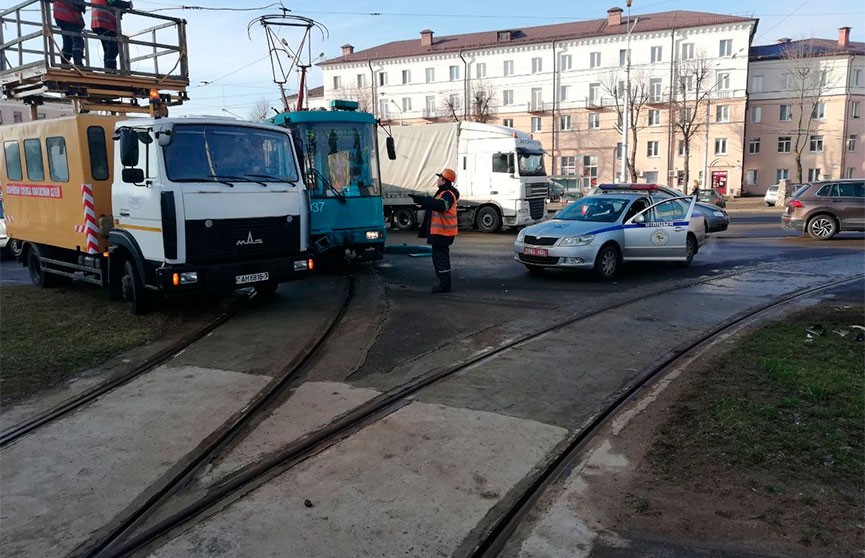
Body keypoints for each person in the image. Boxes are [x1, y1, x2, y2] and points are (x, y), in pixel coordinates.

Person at [409, 168, 460, 293]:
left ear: (444, 180)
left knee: (441, 259)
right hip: (441, 233)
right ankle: (443, 283)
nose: (437, 180)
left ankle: (444, 286)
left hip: (443, 233)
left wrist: (423, 200)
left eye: (439, 178)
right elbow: (434, 206)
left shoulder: (448, 194)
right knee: (439, 258)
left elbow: (441, 206)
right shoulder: (443, 193)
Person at [91, 0, 132, 71]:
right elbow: (113, 2)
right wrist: (128, 4)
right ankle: (111, 69)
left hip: (98, 22)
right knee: (113, 47)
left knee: (107, 48)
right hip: (105, 23)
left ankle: (108, 68)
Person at [53, 0, 86, 67]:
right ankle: (78, 63)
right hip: (69, 16)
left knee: (68, 41)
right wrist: (83, 5)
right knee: (78, 41)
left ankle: (65, 63)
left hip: (59, 15)